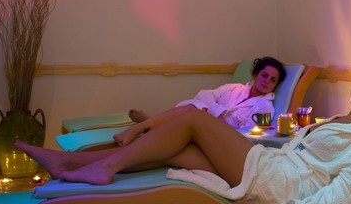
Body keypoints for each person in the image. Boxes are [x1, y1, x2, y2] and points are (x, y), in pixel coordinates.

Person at [18, 59, 351, 204]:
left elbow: (342, 198)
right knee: (173, 148)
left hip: (280, 185)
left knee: (192, 118)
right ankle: (69, 164)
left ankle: (102, 166)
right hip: (275, 166)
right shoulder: (340, 120)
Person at [112, 56, 286, 146]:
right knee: (196, 106)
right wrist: (215, 113)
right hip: (205, 121)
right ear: (255, 74)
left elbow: (246, 133)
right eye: (264, 75)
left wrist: (216, 119)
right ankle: (151, 124)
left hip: (224, 136)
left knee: (194, 111)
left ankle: (148, 124)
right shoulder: (235, 88)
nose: (266, 81)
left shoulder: (265, 108)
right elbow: (205, 94)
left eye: (272, 80)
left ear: (275, 85)